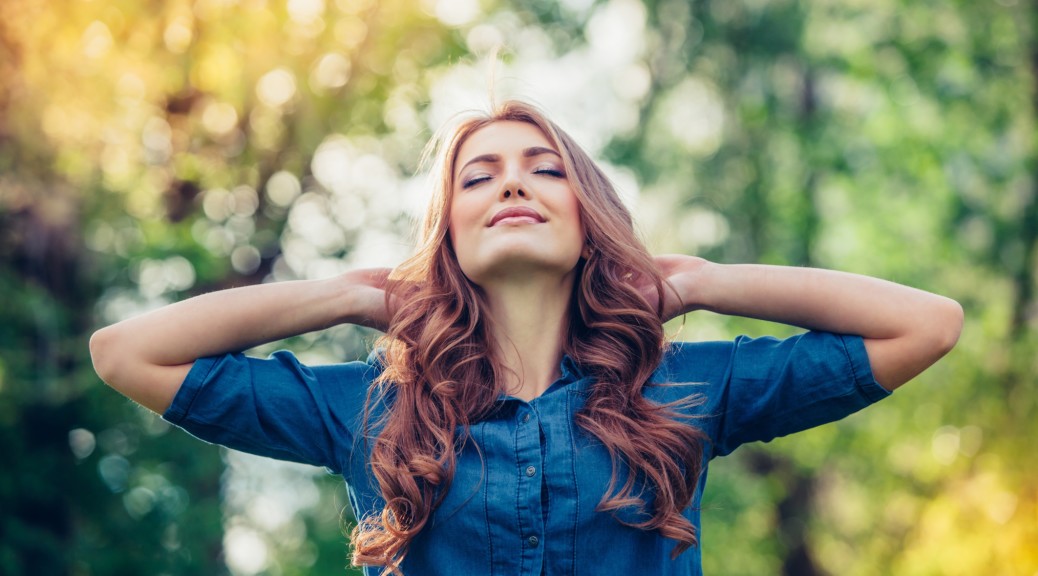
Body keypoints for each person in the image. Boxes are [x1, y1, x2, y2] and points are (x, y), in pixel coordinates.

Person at [89, 100, 963, 575]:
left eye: (546, 170)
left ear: (589, 222)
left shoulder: (686, 391)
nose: (514, 184)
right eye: (480, 176)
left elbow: (926, 325)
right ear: (451, 234)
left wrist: (697, 285)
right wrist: (354, 295)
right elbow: (127, 352)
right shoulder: (369, 410)